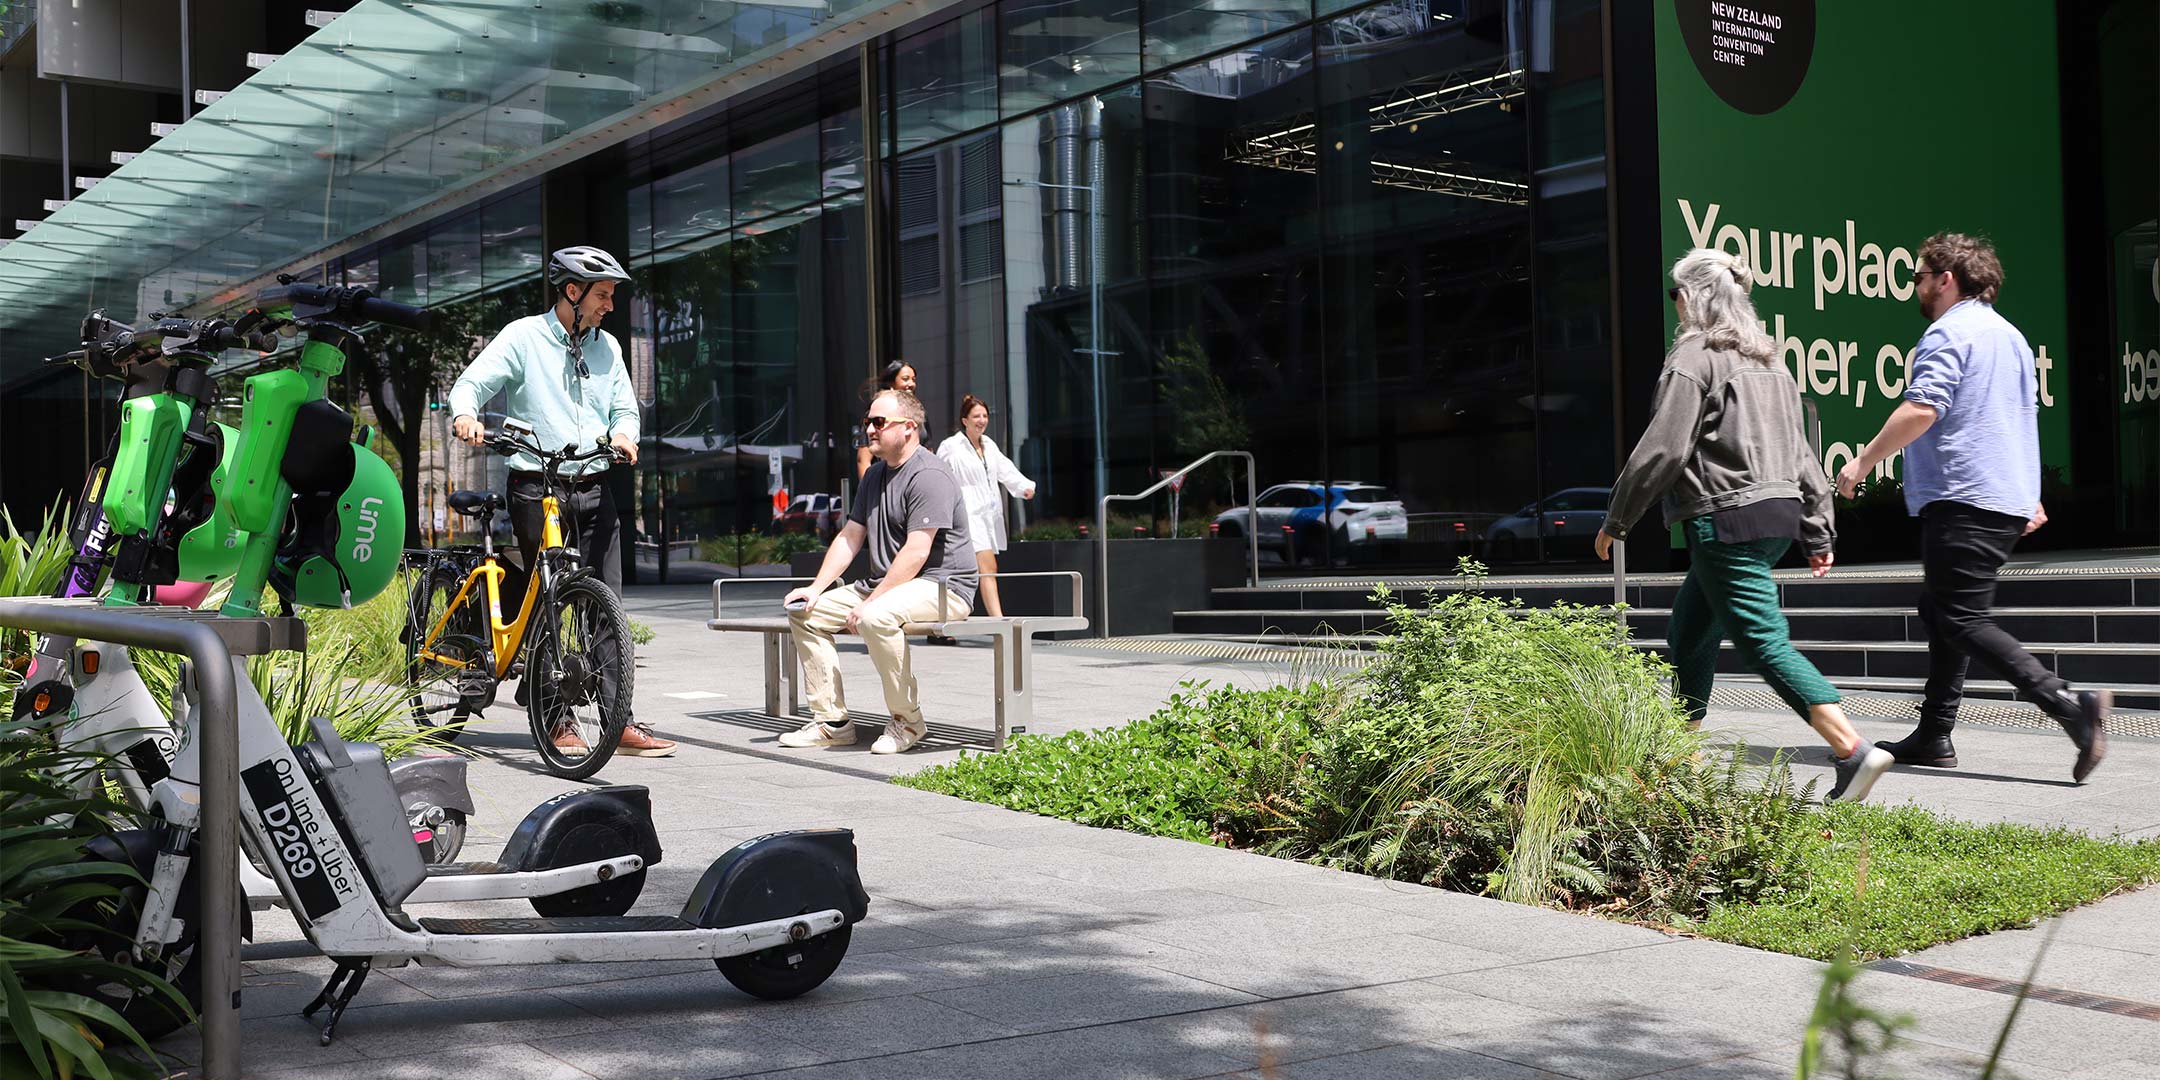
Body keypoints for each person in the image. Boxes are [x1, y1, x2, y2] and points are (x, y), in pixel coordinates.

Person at [1597, 248, 1891, 803]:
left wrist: (1618, 518)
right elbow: (1803, 453)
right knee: (1691, 631)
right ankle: (1674, 760)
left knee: (1762, 642)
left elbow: (1663, 448)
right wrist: (1818, 529)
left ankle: (1853, 751)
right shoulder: (1769, 362)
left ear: (1692, 297)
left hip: (1723, 519)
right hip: (1775, 518)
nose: (1674, 304)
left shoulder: (1694, 356)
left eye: (1675, 293)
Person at [1835, 232, 2109, 781]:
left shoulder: (1948, 331)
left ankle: (2071, 709)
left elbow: (1922, 409)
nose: (1914, 286)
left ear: (1946, 279)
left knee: (1960, 616)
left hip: (1962, 495)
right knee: (1942, 612)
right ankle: (1935, 735)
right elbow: (2020, 418)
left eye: (1918, 276)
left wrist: (1862, 462)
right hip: (1998, 498)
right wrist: (2025, 492)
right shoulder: (2010, 337)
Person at [448, 245, 676, 758]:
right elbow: (472, 384)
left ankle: (617, 721)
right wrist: (466, 415)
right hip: (537, 485)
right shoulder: (523, 337)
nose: (609, 305)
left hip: (594, 485)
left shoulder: (608, 348)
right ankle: (555, 716)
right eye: (602, 295)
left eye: (612, 296)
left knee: (605, 606)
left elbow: (623, 407)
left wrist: (624, 433)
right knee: (549, 594)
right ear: (572, 293)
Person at [779, 388, 977, 755]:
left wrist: (872, 600)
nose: (869, 428)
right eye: (867, 421)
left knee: (875, 618)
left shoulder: (930, 474)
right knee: (805, 613)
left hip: (942, 587)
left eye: (878, 421)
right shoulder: (873, 476)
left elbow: (917, 551)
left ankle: (908, 720)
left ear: (909, 428)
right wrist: (816, 587)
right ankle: (833, 722)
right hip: (888, 585)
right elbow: (851, 536)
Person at [935, 394, 1036, 626]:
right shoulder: (951, 446)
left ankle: (945, 622)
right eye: (976, 416)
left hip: (988, 514)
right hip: (965, 514)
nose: (981, 420)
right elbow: (938, 476)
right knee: (987, 566)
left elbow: (1005, 470)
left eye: (984, 416)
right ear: (964, 420)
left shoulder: (989, 445)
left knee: (963, 570)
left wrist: (1024, 488)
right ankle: (999, 621)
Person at [855, 360, 917, 482]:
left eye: (914, 379)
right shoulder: (877, 414)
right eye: (905, 379)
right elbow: (863, 459)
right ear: (891, 383)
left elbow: (928, 448)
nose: (911, 384)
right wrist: (868, 492)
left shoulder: (918, 414)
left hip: (915, 479)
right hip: (887, 483)